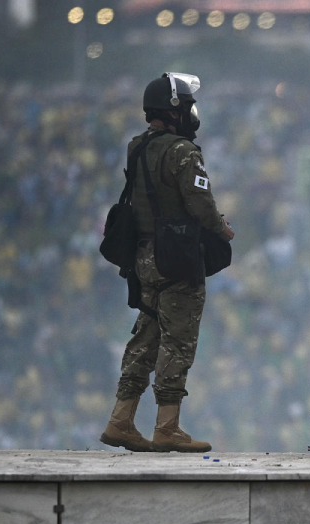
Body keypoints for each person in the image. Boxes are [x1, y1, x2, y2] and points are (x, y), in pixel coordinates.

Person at [100, 72, 235, 453]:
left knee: (146, 335)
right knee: (178, 340)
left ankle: (121, 419)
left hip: (144, 255)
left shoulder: (137, 146)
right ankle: (167, 426)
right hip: (176, 257)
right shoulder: (183, 151)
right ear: (175, 110)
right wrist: (222, 228)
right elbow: (200, 205)